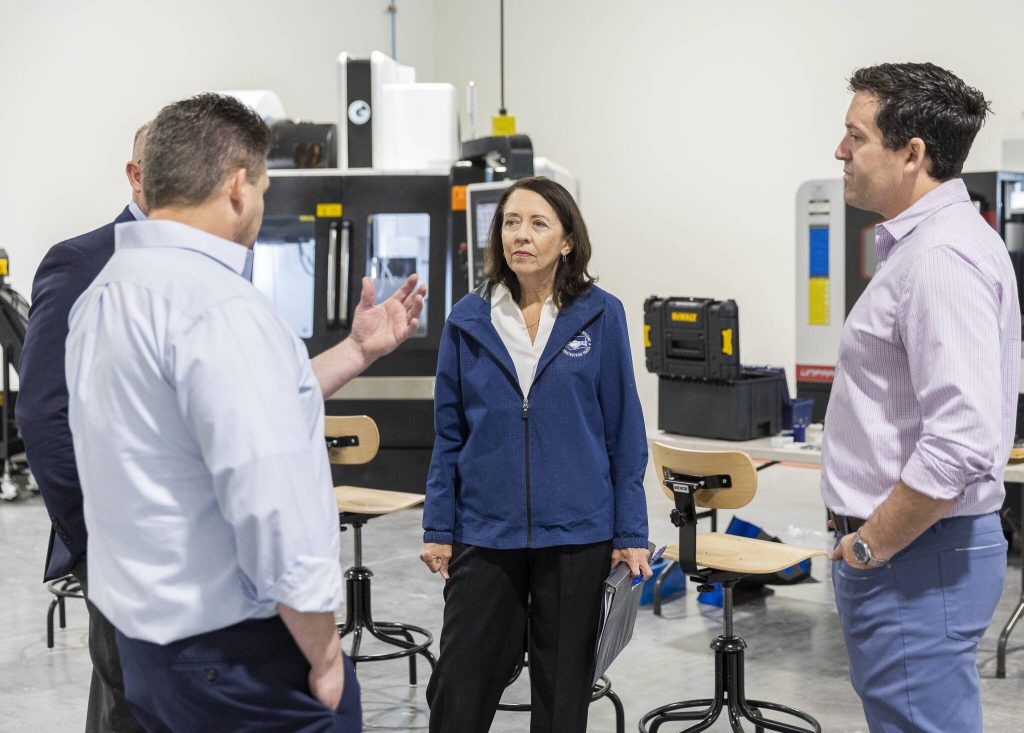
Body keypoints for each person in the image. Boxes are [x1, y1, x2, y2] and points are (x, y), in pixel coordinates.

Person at [64, 93, 425, 732]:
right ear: (237, 187)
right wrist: (321, 652)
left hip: (147, 645)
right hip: (237, 656)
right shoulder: (224, 308)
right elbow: (271, 506)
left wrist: (357, 349)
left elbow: (220, 424)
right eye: (261, 187)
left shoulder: (106, 296)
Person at [823, 62, 1018, 733]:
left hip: (916, 556)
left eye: (856, 136)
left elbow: (961, 442)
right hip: (922, 553)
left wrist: (870, 545)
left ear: (912, 154)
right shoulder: (934, 247)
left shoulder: (941, 258)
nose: (840, 151)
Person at [420, 176, 650, 733]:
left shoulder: (601, 315)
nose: (520, 235)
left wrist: (630, 532)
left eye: (538, 223)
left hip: (577, 533)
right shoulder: (467, 319)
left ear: (567, 241)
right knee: (459, 688)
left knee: (562, 696)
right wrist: (438, 525)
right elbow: (448, 434)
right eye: (510, 222)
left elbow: (624, 431)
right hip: (485, 530)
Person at [16, 122, 151, 732]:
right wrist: (95, 537)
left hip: (198, 542)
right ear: (136, 175)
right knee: (133, 699)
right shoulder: (82, 261)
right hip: (116, 538)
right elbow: (43, 414)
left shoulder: (221, 261)